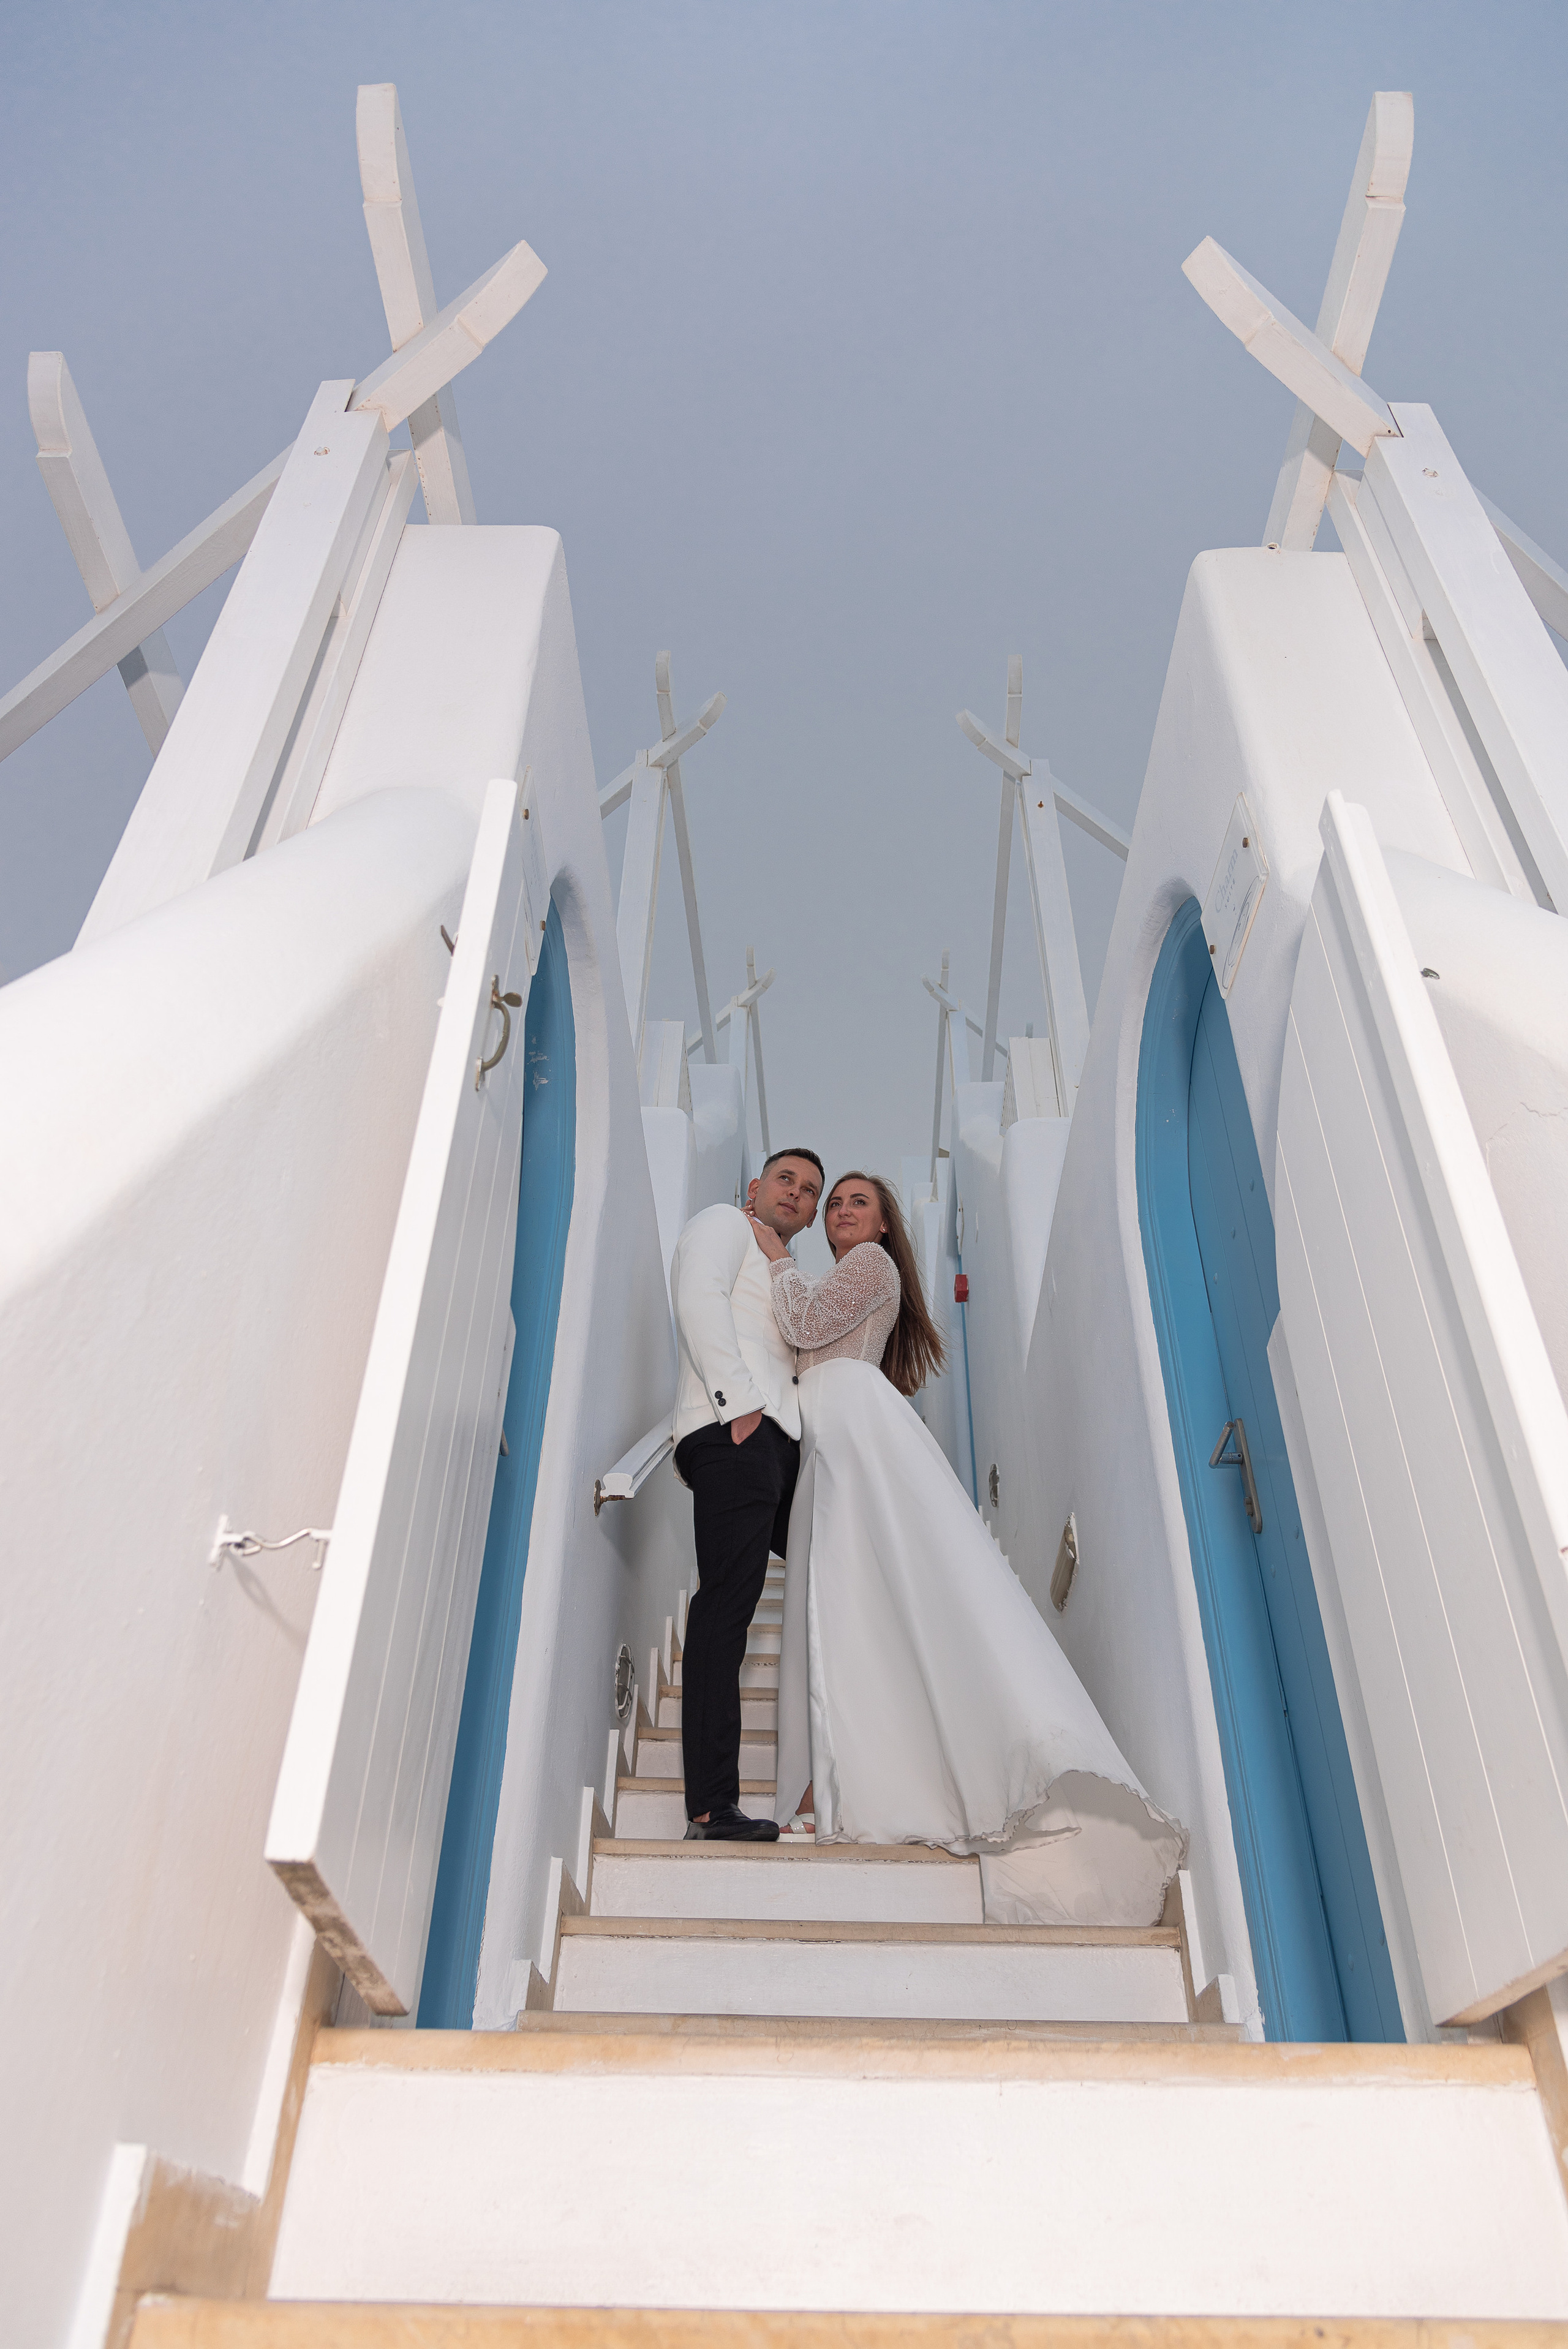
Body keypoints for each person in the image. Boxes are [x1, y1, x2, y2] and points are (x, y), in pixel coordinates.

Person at [752, 1170, 1186, 1925]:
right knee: (851, 1608)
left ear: (886, 1225)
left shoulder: (869, 1266)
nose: (843, 1211)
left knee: (852, 1599)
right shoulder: (851, 1269)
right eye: (835, 1205)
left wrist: (773, 1256)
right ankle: (834, 1781)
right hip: (830, 1432)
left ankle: (839, 1786)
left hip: (851, 1429)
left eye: (859, 1201)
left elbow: (803, 1321)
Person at [668, 1147, 825, 1841]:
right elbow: (698, 1298)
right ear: (756, 1187)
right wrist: (737, 1405)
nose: (796, 1194)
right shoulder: (722, 1224)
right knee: (725, 1608)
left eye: (810, 1191)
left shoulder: (785, 1266)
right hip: (733, 1430)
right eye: (786, 1180)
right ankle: (710, 1805)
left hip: (780, 1448)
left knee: (838, 1582)